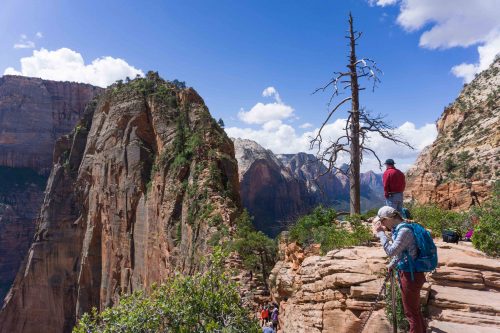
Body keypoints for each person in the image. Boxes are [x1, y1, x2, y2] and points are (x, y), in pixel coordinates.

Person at [372, 206, 426, 333]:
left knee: (411, 313)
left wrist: (381, 233)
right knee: (415, 310)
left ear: (388, 219)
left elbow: (391, 251)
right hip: (411, 273)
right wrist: (392, 264)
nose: (383, 225)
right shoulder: (400, 229)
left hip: (410, 275)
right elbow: (402, 253)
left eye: (383, 221)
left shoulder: (404, 231)